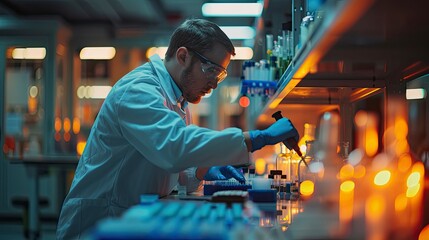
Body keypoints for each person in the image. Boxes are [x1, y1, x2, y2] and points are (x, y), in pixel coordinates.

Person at [56, 18, 299, 239]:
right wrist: (256, 138)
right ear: (183, 56)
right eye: (211, 70)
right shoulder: (138, 90)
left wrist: (203, 169)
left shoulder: (178, 100)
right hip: (99, 220)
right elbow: (173, 147)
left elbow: (181, 174)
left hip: (132, 218)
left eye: (221, 74)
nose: (214, 83)